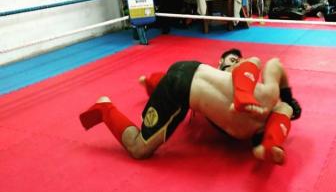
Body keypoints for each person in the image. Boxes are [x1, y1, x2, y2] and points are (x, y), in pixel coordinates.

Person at [80, 49, 301, 165]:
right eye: (231, 59)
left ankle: (107, 107)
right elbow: (272, 64)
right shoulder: (260, 91)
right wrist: (286, 96)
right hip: (189, 81)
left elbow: (282, 108)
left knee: (140, 148)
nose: (234, 61)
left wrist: (286, 104)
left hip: (181, 87)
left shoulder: (251, 122)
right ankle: (106, 107)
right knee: (138, 149)